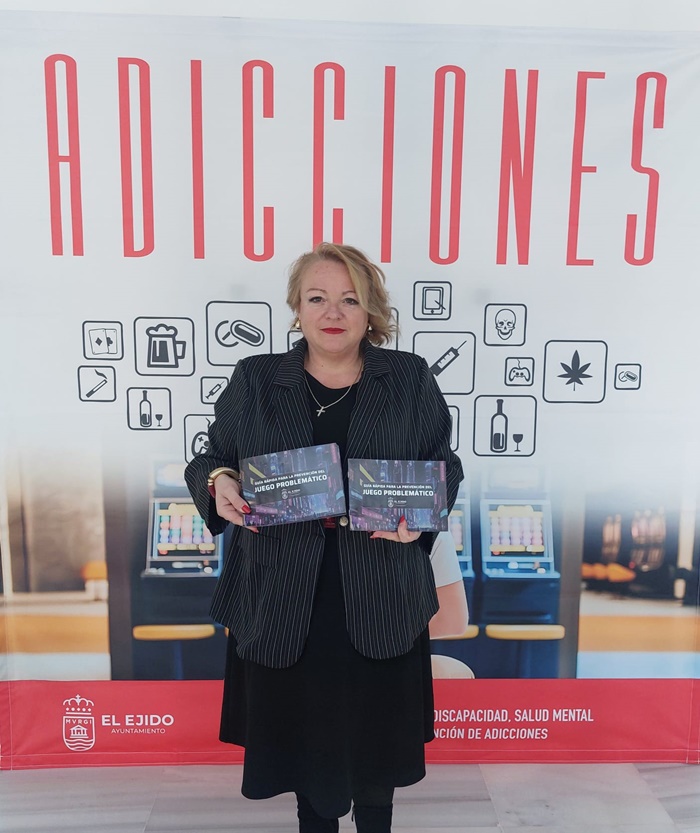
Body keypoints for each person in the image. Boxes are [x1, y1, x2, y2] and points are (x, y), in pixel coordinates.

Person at [185, 242, 464, 833]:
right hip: (283, 595)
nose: (332, 312)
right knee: (304, 750)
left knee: (376, 756)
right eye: (317, 298)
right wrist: (218, 480)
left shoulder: (408, 377)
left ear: (371, 311)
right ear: (297, 308)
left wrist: (422, 517)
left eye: (349, 299)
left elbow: (444, 468)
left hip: (381, 589)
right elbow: (211, 456)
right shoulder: (257, 378)